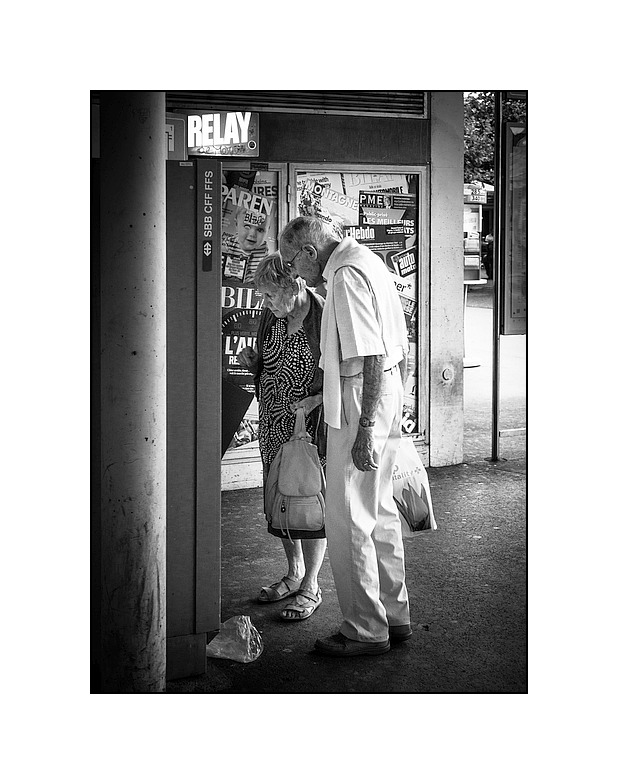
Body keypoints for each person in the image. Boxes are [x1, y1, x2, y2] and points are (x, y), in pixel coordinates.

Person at [279, 216, 412, 656]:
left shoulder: (344, 275)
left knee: (349, 516)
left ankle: (364, 629)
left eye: (293, 264)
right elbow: (398, 345)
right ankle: (394, 614)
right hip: (383, 391)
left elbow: (369, 355)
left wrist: (366, 427)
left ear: (309, 252)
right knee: (380, 509)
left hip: (361, 398)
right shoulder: (367, 259)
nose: (296, 274)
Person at [237, 252, 327, 621]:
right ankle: (294, 573)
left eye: (270, 294)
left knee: (306, 497)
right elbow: (270, 363)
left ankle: (312, 585)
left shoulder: (322, 316)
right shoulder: (271, 316)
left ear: (294, 286)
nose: (265, 302)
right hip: (272, 421)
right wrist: (254, 363)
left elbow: (340, 371)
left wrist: (317, 399)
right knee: (280, 498)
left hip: (307, 426)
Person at [222, 206, 270, 284]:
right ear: (236, 224)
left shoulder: (263, 249)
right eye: (247, 227)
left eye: (260, 230)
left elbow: (265, 274)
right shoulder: (229, 243)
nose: (252, 234)